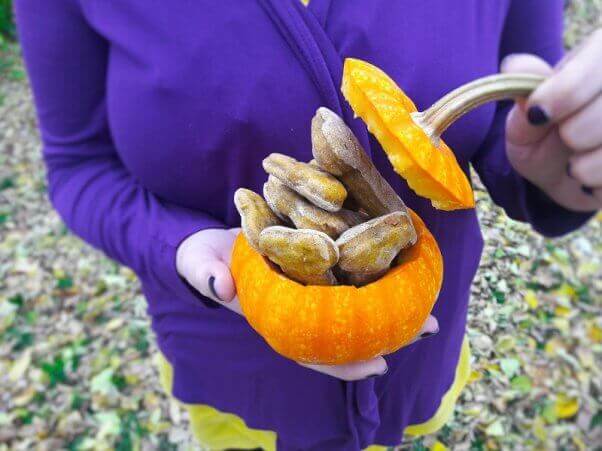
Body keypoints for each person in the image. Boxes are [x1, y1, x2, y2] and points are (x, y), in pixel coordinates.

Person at [15, 1, 600, 449]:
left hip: (423, 349)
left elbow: (514, 135)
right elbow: (79, 169)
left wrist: (562, 162)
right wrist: (178, 246)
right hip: (231, 365)